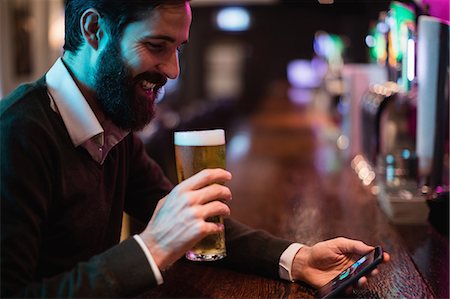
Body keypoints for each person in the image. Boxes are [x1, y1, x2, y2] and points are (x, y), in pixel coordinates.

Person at [0, 0, 390, 297]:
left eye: (179, 50)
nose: (173, 70)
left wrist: (297, 258)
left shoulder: (110, 124)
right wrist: (151, 248)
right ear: (94, 30)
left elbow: (197, 222)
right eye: (156, 46)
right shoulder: (15, 134)